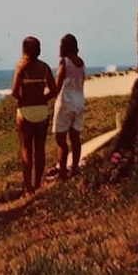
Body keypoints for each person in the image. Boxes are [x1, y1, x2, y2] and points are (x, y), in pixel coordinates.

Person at [11, 36, 57, 196]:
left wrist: (25, 99)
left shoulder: (21, 67)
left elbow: (15, 92)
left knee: (26, 149)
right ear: (39, 50)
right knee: (40, 149)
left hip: (25, 111)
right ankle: (38, 183)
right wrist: (42, 98)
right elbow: (54, 89)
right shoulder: (44, 67)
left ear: (24, 50)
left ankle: (27, 187)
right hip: (42, 111)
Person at [52, 34, 86, 179]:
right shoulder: (81, 62)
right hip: (79, 102)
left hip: (65, 103)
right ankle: (75, 168)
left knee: (60, 139)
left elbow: (57, 86)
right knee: (75, 137)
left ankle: (62, 173)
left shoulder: (64, 62)